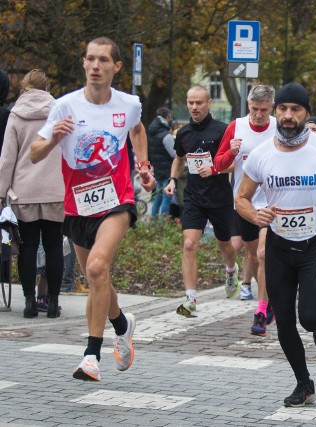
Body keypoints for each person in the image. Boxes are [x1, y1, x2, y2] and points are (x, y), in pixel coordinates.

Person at [30, 37, 156, 380]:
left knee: (99, 268)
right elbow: (34, 152)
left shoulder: (128, 103)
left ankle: (91, 356)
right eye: (90, 59)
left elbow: (138, 129)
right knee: (96, 277)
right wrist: (55, 136)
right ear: (84, 64)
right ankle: (121, 322)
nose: (95, 65)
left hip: (117, 199)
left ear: (116, 67)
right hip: (77, 204)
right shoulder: (64, 106)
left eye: (102, 60)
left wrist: (143, 165)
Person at [235, 83, 316, 407]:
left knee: (309, 318)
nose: (288, 116)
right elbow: (241, 198)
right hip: (278, 245)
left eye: (296, 110)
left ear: (306, 113)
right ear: (276, 110)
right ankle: (303, 383)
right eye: (283, 109)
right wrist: (255, 215)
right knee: (285, 321)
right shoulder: (263, 155)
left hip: (315, 245)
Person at [164, 86, 238, 317]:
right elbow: (179, 159)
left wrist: (215, 169)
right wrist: (173, 180)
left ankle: (231, 269)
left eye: (199, 103)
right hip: (194, 197)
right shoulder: (183, 133)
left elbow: (237, 163)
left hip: (219, 197)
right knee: (189, 244)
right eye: (190, 103)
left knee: (225, 245)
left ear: (209, 104)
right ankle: (190, 298)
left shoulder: (222, 131)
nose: (194, 107)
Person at [213, 84, 277, 336]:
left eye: (263, 110)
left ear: (271, 107)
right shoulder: (236, 126)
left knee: (263, 254)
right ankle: (269, 297)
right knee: (254, 256)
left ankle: (260, 312)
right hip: (245, 204)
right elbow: (217, 163)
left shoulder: (277, 127)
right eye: (254, 109)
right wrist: (231, 151)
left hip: (273, 203)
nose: (258, 115)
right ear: (248, 105)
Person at [0, 69, 64, 318]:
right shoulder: (60, 112)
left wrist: (1, 191)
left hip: (24, 191)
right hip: (55, 191)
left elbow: (7, 159)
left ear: (23, 88)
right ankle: (52, 302)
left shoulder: (16, 115)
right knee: (54, 246)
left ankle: (28, 302)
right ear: (46, 88)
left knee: (27, 247)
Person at [147, 107, 176, 216]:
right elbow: (174, 154)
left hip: (158, 169)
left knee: (157, 197)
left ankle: (154, 222)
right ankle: (164, 224)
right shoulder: (166, 135)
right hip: (168, 170)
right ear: (167, 117)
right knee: (167, 197)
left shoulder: (152, 131)